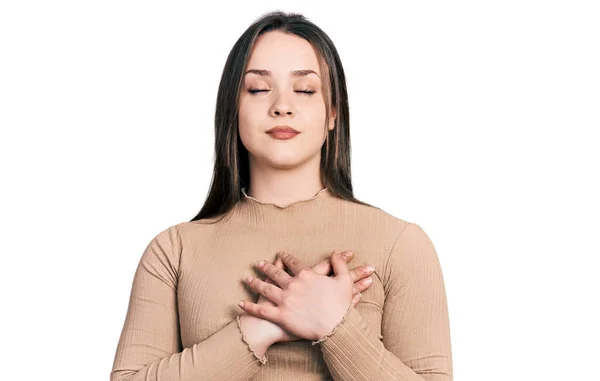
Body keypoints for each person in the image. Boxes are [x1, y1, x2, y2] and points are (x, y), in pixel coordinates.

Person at [110, 10, 453, 381]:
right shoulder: (173, 251)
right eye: (258, 89)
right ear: (233, 109)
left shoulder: (400, 244)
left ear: (333, 112)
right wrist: (261, 327)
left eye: (305, 90)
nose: (282, 106)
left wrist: (335, 327)